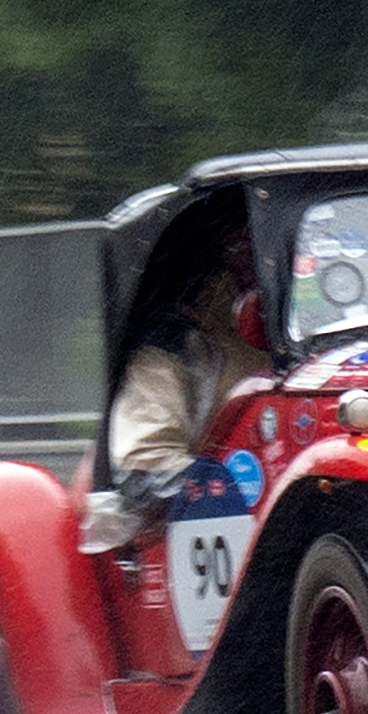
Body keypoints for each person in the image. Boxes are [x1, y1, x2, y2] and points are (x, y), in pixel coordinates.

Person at [105, 222, 268, 519]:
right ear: (213, 253)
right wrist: (221, 491)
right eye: (238, 240)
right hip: (210, 521)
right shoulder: (174, 345)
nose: (255, 251)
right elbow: (143, 466)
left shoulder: (319, 335)